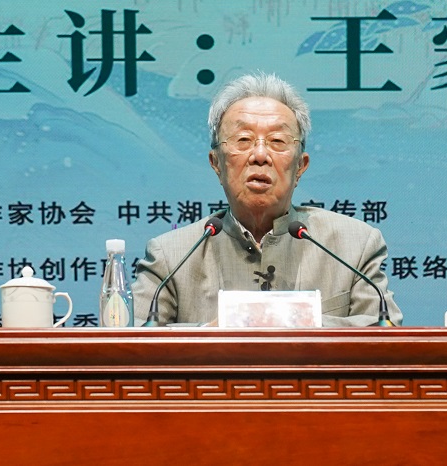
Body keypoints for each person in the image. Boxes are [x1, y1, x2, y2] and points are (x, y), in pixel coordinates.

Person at [131, 72, 402, 327]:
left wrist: (290, 322)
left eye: (277, 141)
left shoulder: (353, 246)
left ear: (300, 166)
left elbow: (386, 335)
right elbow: (133, 344)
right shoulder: (170, 257)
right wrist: (213, 332)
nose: (260, 155)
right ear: (216, 163)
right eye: (243, 139)